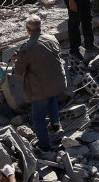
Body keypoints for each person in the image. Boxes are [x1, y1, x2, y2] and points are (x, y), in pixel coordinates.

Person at [14, 16, 67, 154]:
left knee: (38, 117)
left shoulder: (27, 48)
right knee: (52, 97)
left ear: (28, 30)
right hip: (57, 82)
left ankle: (44, 145)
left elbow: (18, 71)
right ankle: (56, 124)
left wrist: (17, 59)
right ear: (40, 27)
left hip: (40, 88)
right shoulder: (52, 38)